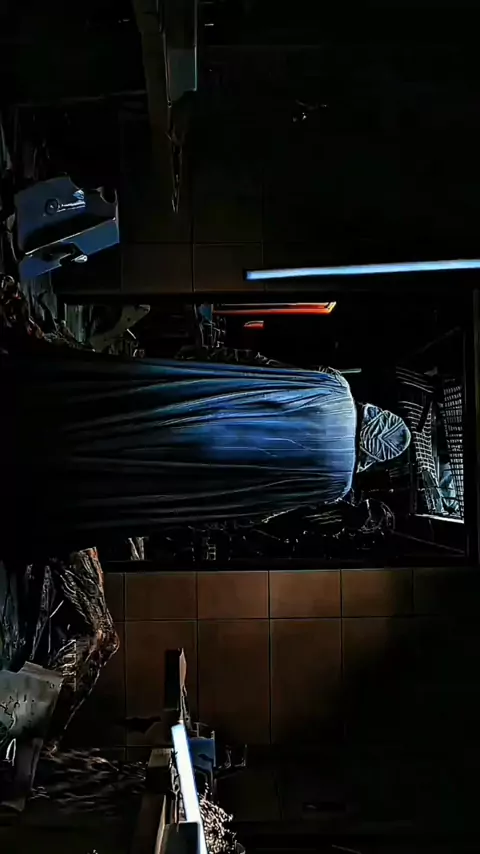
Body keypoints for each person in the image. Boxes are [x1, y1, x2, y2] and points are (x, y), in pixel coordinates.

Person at [3, 346, 410, 556]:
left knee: (113, 408)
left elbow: (261, 367)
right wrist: (207, 517)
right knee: (118, 475)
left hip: (206, 404)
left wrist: (204, 360)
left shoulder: (334, 388)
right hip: (205, 470)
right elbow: (263, 508)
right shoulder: (336, 484)